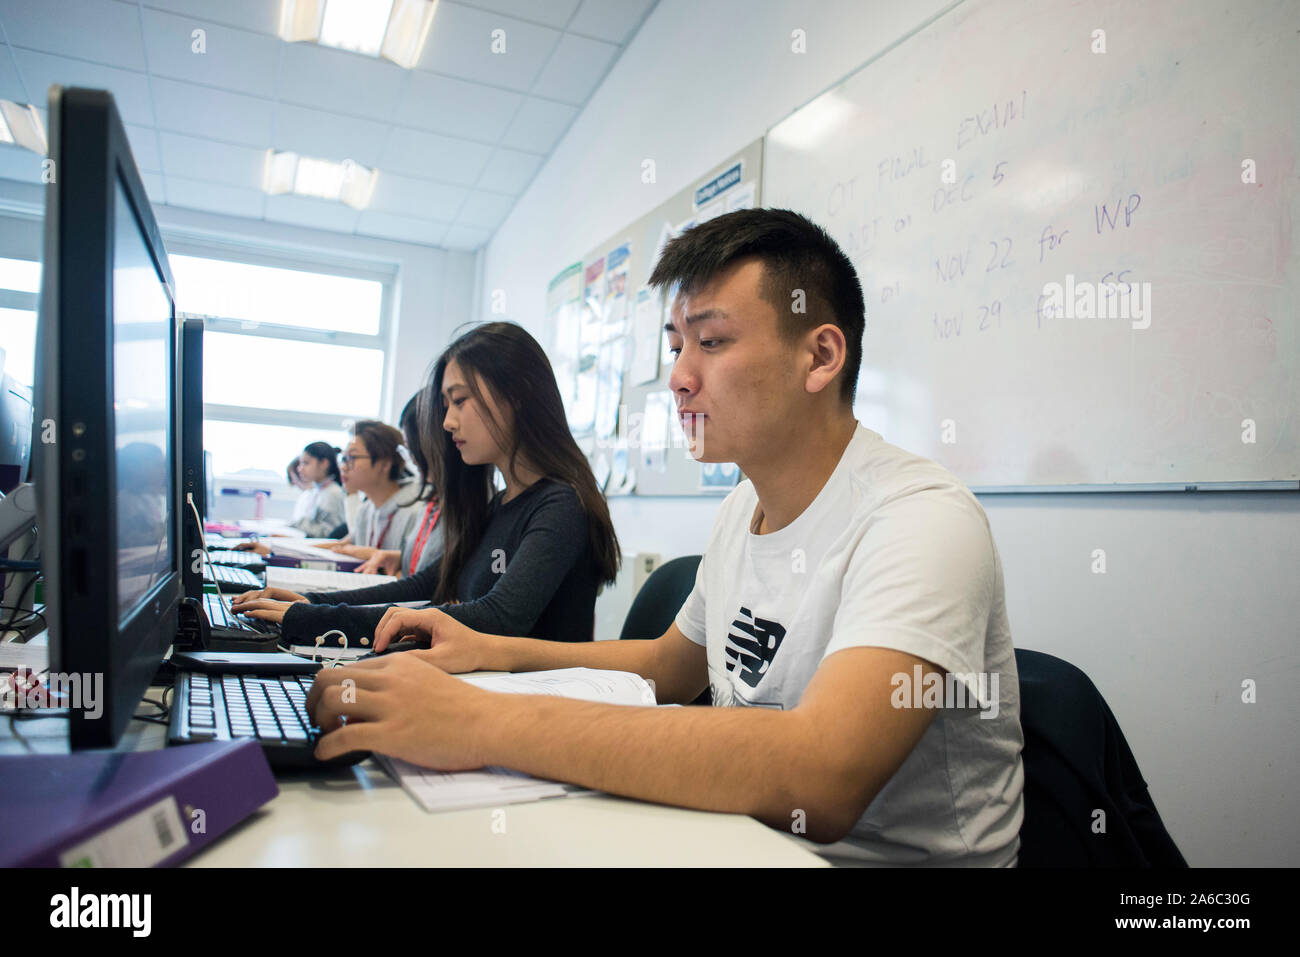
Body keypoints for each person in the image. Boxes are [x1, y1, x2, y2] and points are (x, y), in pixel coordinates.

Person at [303, 209, 1024, 866]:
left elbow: (823, 773)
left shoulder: (922, 518)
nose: (678, 377)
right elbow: (672, 664)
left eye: (711, 341)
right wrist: (493, 649)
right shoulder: (742, 507)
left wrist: (481, 720)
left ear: (820, 355)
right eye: (676, 344)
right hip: (746, 840)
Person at [231, 322, 621, 648]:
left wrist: (315, 619)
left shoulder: (561, 505)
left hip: (528, 709)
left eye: (459, 401)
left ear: (515, 396)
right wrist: (313, 603)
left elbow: (497, 618)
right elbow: (429, 583)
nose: (448, 422)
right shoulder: (501, 503)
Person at [355, 395, 440, 577]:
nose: (344, 466)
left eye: (352, 458)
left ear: (385, 463)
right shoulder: (366, 508)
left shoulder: (414, 508)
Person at [288, 442, 346, 537]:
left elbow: (331, 534)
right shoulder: (317, 491)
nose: (299, 469)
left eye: (306, 463)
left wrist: (300, 524)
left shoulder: (333, 493)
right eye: (300, 463)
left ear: (324, 463)